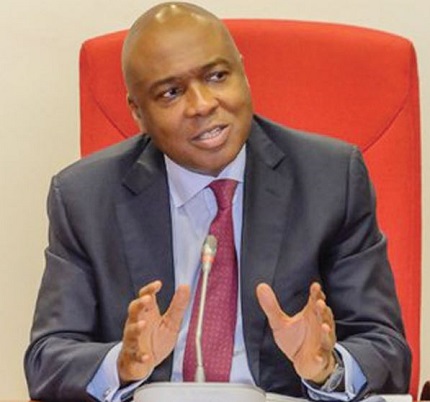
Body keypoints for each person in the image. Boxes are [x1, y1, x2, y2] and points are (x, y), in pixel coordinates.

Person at [24, 2, 411, 402]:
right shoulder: (84, 198)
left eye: (217, 76)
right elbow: (46, 360)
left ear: (243, 72)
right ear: (137, 112)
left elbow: (386, 347)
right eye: (171, 92)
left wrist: (327, 368)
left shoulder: (330, 179)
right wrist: (124, 364)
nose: (203, 104)